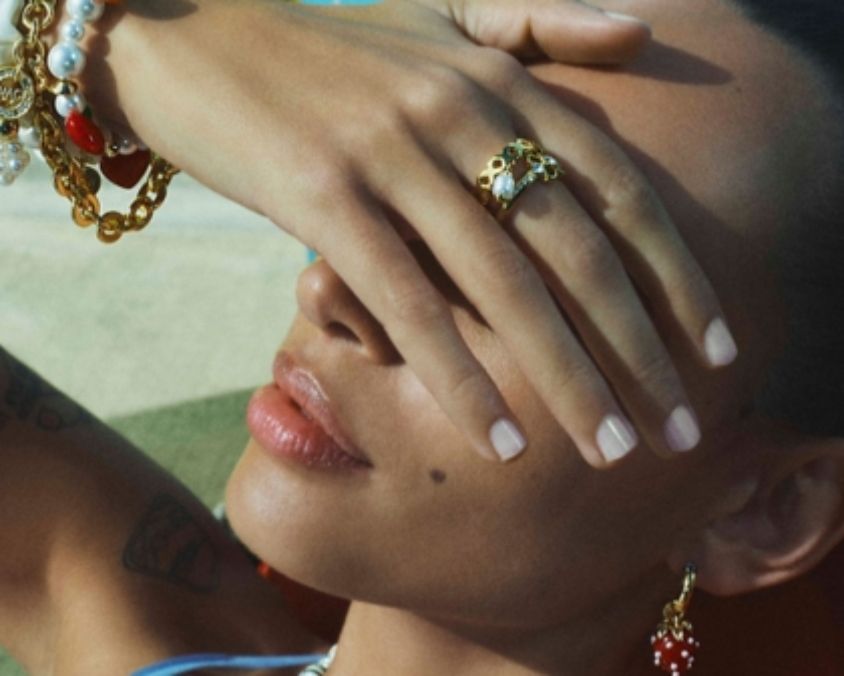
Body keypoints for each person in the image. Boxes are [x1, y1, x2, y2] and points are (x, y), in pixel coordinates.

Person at [1, 0, 844, 674]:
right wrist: (136, 41)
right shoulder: (144, 617)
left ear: (766, 508)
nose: (332, 286)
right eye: (414, 185)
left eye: (531, 269)